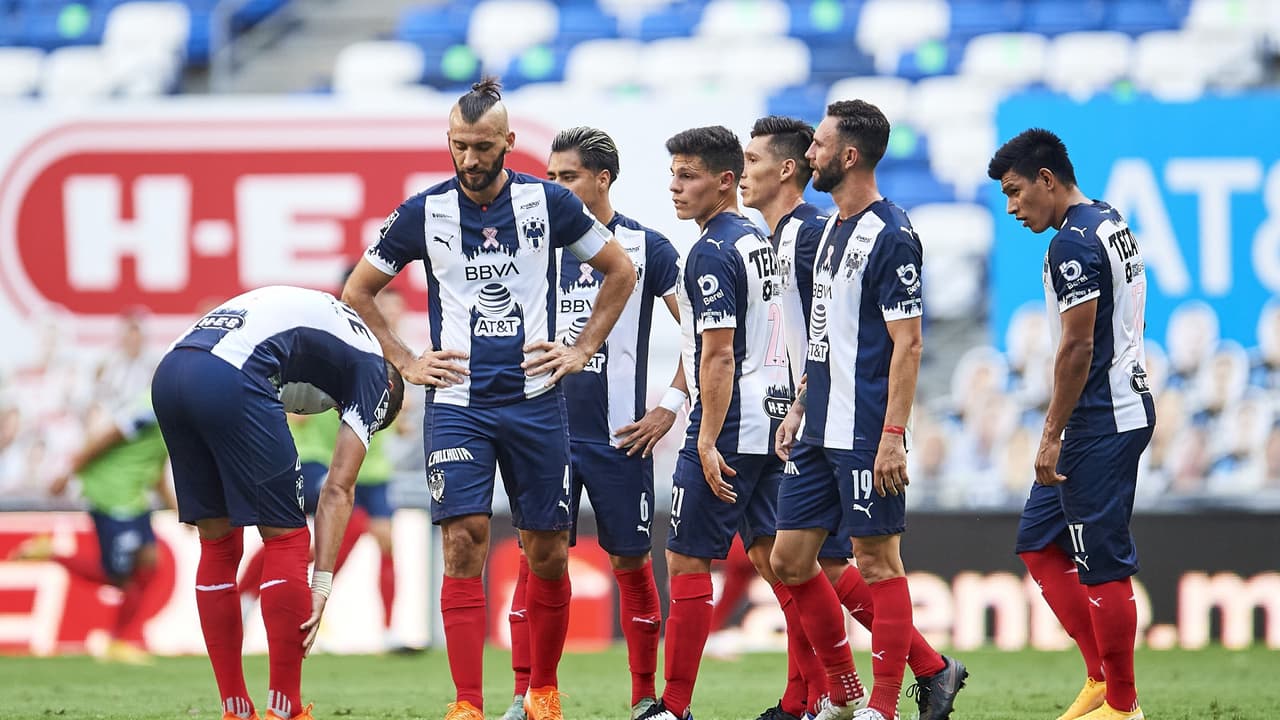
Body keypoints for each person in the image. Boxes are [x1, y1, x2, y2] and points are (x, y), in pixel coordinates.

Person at [342, 78, 636, 720]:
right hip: (458, 406)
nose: (470, 159)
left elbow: (621, 270)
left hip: (536, 401)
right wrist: (406, 360)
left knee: (547, 551)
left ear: (508, 141)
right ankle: (468, 704)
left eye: (482, 146)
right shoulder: (424, 212)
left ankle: (542, 692)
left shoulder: (549, 203)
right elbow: (357, 291)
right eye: (459, 146)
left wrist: (582, 348)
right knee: (463, 541)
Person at [743, 115, 965, 720]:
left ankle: (883, 707)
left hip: (866, 427)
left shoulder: (892, 233)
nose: (810, 152)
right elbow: (823, 335)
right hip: (817, 426)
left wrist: (892, 435)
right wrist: (800, 404)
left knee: (876, 561)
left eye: (819, 144)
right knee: (789, 560)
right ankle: (845, 693)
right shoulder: (832, 231)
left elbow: (909, 343)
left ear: (848, 155)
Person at [151, 285, 405, 720]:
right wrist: (321, 585)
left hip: (172, 370)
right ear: (388, 388)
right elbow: (338, 489)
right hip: (231, 374)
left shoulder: (339, 331)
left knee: (218, 544)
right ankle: (285, 709)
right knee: (287, 538)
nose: (340, 413)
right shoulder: (373, 373)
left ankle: (235, 708)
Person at [501, 126, 684, 720]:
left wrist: (670, 405)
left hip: (619, 438)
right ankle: (528, 697)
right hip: (543, 435)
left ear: (602, 179)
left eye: (568, 176)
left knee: (631, 562)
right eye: (550, 176)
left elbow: (705, 332)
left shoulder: (647, 248)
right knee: (537, 560)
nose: (554, 187)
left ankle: (643, 699)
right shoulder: (532, 246)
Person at [988, 128, 1155, 720]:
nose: (1012, 208)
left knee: (1101, 559)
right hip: (1114, 405)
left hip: (1101, 417)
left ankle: (1123, 706)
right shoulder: (1107, 219)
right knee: (1037, 541)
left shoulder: (1072, 245)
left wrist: (1051, 433)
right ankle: (1101, 679)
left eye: (1015, 192)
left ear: (1047, 179)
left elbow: (1078, 346)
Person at [634, 125, 792, 720]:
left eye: (688, 175)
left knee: (687, 560)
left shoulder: (710, 251)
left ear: (726, 181)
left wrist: (703, 437)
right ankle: (825, 691)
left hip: (729, 426)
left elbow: (719, 354)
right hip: (772, 419)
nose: (675, 187)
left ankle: (673, 707)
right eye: (673, 175)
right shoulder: (758, 239)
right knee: (780, 562)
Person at [8, 391, 174, 665]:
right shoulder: (152, 406)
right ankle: (53, 554)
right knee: (119, 577)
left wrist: (176, 508)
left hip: (134, 497)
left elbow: (154, 465)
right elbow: (110, 435)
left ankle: (121, 640)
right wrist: (69, 471)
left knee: (149, 563)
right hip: (112, 493)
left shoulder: (175, 418)